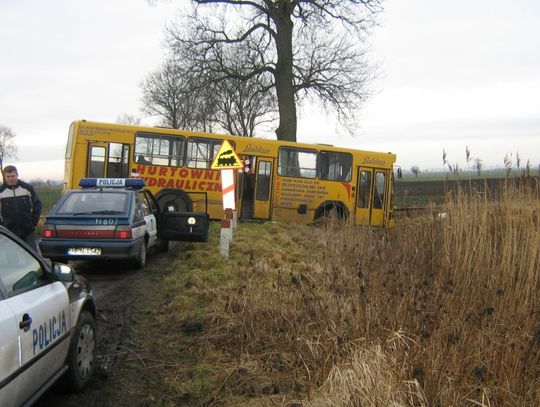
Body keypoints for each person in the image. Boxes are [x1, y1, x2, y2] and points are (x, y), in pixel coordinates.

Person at [0, 165, 42, 251]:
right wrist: (2, 225)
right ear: (4, 177)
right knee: (12, 258)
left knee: (33, 257)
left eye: (13, 176)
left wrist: (33, 222)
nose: (11, 178)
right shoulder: (1, 191)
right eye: (8, 176)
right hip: (9, 232)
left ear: (17, 175)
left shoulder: (27, 188)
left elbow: (37, 204)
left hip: (27, 230)